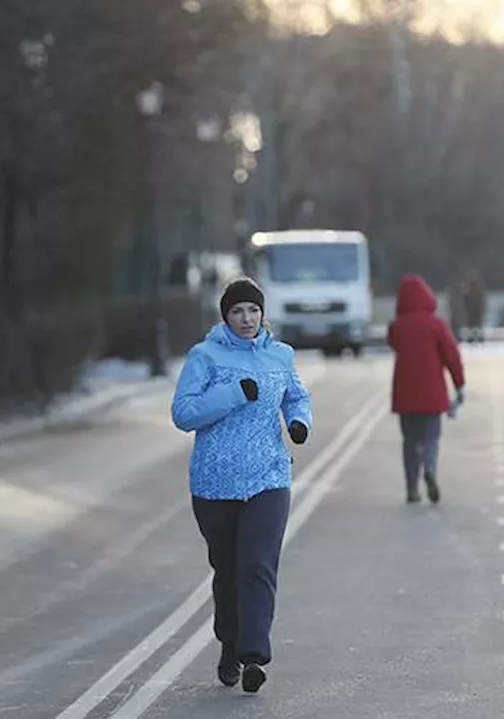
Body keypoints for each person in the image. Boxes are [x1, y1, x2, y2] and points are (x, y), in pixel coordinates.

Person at [171, 277, 312, 694]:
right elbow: (184, 413)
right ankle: (230, 644)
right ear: (225, 316)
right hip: (215, 483)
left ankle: (254, 657)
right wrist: (232, 393)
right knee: (228, 569)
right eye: (237, 311)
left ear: (262, 313)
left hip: (269, 477)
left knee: (257, 565)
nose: (247, 319)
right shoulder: (205, 357)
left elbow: (296, 396)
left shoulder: (280, 355)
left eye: (253, 310)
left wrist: (300, 422)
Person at [388, 274, 466, 505]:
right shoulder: (437, 325)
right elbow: (452, 356)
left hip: (405, 395)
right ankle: (430, 468)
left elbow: (393, 343)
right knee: (431, 437)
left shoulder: (397, 327)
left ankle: (412, 488)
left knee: (410, 441)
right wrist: (459, 385)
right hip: (432, 395)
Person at [463, 270, 487, 344]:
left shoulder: (469, 292)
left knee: (473, 326)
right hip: (475, 312)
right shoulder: (478, 292)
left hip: (472, 312)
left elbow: (466, 302)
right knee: (476, 326)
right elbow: (482, 302)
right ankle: (478, 338)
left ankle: (474, 338)